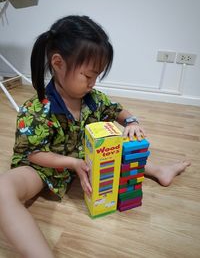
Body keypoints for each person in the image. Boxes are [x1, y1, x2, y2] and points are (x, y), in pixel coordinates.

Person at [0, 15, 190, 258]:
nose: (92, 83)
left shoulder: (95, 99)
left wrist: (131, 122)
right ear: (58, 63)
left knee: (118, 147)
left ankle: (157, 170)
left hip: (88, 158)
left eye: (97, 76)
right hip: (45, 168)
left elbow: (119, 111)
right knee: (3, 188)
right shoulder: (36, 108)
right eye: (88, 76)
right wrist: (72, 163)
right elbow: (34, 154)